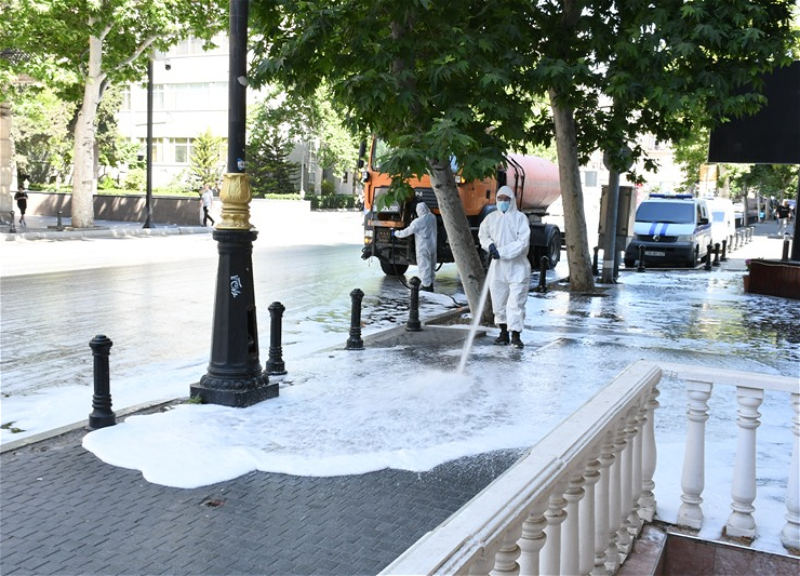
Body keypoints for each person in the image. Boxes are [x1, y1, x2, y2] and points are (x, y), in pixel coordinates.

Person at [478, 185, 531, 349]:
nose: (503, 202)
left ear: (512, 200)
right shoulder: (491, 218)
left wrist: (501, 252)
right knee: (498, 300)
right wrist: (489, 245)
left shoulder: (520, 218)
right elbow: (483, 235)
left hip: (517, 267)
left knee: (516, 303)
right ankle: (503, 333)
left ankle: (516, 335)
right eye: (500, 199)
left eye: (506, 199)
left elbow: (522, 243)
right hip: (498, 267)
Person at [393, 202, 437, 292]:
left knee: (424, 266)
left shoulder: (418, 222)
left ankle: (426, 285)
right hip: (432, 246)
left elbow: (407, 232)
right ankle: (431, 284)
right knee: (431, 265)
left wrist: (396, 233)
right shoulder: (433, 217)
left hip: (423, 247)